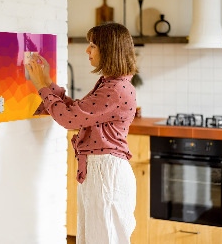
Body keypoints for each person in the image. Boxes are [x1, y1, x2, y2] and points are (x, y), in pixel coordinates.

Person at [26, 22, 138, 244]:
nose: (87, 50)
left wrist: (41, 85)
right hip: (101, 171)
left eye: (93, 45)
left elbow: (69, 119)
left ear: (109, 50)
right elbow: (77, 111)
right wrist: (48, 81)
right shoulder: (111, 84)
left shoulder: (115, 89)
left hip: (106, 173)